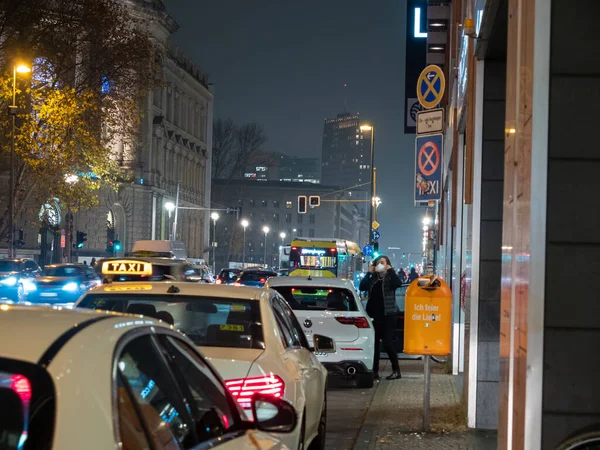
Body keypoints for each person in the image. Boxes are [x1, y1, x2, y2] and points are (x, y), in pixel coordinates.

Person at [359, 255, 402, 380]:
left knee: (388, 342)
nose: (380, 265)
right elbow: (362, 287)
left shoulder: (390, 277)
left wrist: (390, 270)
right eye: (378, 263)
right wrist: (368, 273)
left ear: (387, 264)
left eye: (383, 262)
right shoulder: (373, 278)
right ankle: (374, 372)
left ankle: (396, 370)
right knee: (375, 344)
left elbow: (397, 283)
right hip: (374, 316)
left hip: (389, 314)